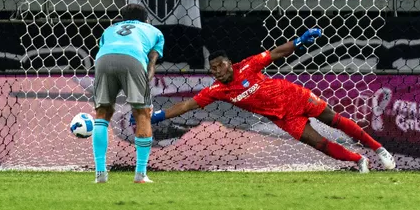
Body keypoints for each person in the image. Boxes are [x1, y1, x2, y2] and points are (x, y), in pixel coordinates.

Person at [151, 28, 396, 172]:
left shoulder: (247, 64)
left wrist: (299, 41)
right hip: (282, 118)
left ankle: (379, 149)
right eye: (212, 68)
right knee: (318, 143)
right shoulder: (216, 90)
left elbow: (277, 52)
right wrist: (158, 115)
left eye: (220, 65)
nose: (216, 70)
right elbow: (186, 105)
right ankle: (359, 160)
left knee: (334, 120)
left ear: (229, 63)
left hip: (295, 97)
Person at [91, 4, 164, 184]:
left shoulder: (109, 29)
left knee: (102, 113)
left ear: (122, 19)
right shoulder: (154, 31)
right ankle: (140, 174)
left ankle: (100, 174)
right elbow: (152, 62)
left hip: (103, 59)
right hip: (133, 58)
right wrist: (145, 80)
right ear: (146, 19)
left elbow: (104, 48)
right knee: (142, 114)